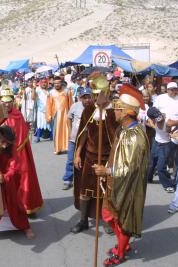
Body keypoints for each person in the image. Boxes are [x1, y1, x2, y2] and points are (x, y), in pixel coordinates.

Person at [93, 84, 149, 266]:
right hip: (114, 182)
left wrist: (106, 171)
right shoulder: (122, 130)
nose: (114, 111)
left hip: (128, 185)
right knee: (108, 215)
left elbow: (129, 168)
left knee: (122, 218)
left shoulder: (135, 136)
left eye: (117, 108)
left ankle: (121, 251)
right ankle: (122, 244)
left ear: (125, 112)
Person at [71, 73, 118, 234]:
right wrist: (77, 154)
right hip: (90, 156)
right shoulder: (89, 109)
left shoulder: (113, 112)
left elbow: (116, 138)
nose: (97, 98)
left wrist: (112, 161)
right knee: (85, 191)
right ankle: (83, 220)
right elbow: (83, 133)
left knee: (105, 192)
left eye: (100, 94)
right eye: (95, 94)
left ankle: (105, 220)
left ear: (106, 93)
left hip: (107, 158)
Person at [0, 88, 43, 215]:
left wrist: (15, 150)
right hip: (2, 153)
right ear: (0, 101)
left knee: (24, 178)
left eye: (9, 101)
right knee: (5, 179)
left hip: (19, 152)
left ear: (13, 101)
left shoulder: (17, 114)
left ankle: (27, 206)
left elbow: (22, 134)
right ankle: (7, 208)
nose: (7, 104)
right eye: (4, 102)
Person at [61, 87, 92, 190]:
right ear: (80, 97)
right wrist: (69, 131)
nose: (87, 100)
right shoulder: (75, 106)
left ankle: (84, 180)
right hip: (74, 139)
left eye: (88, 97)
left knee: (86, 160)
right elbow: (69, 118)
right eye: (84, 97)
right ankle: (68, 180)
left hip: (88, 140)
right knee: (70, 159)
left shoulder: (94, 108)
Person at [46, 77, 71, 154]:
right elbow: (48, 105)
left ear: (61, 83)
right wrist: (48, 116)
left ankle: (67, 147)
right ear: (53, 84)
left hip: (66, 114)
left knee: (67, 131)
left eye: (58, 83)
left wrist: (71, 114)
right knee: (56, 132)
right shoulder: (51, 93)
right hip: (56, 114)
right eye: (55, 83)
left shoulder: (67, 91)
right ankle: (58, 149)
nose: (57, 85)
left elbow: (70, 103)